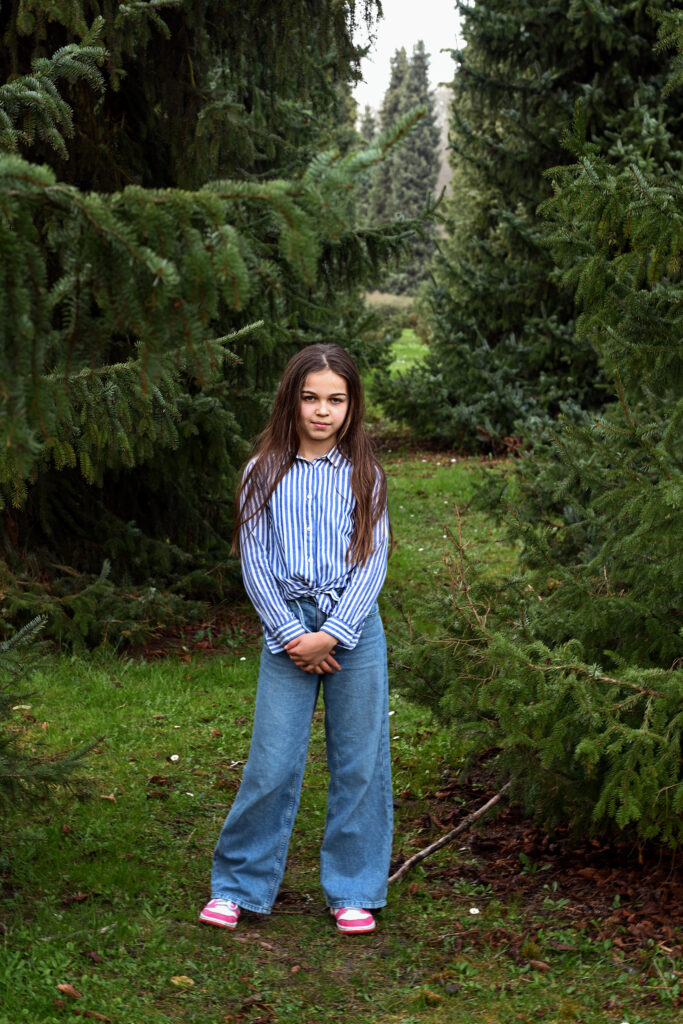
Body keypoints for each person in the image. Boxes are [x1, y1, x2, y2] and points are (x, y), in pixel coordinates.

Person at [199, 343, 393, 935]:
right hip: (285, 628)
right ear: (291, 400)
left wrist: (333, 632)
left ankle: (353, 888)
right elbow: (255, 560)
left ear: (352, 407)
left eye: (336, 400)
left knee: (359, 762)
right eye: (311, 398)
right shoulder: (261, 473)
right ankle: (239, 885)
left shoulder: (366, 476)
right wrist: (292, 635)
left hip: (352, 626)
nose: (322, 411)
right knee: (272, 761)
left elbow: (374, 560)